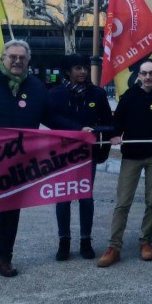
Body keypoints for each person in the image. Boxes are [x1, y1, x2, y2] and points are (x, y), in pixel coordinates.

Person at [0, 40, 81, 281]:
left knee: (10, 211)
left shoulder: (36, 87)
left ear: (28, 61)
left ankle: (4, 257)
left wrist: (80, 132)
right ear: (3, 58)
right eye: (12, 56)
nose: (17, 61)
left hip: (17, 164)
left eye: (22, 57)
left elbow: (52, 118)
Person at [97, 59, 152, 268]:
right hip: (132, 156)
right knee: (123, 202)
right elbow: (117, 122)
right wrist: (114, 135)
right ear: (139, 76)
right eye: (144, 73)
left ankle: (146, 241)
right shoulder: (129, 96)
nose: (148, 77)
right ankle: (114, 246)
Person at [47, 54, 114, 261]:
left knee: (85, 196)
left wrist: (105, 139)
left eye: (85, 67)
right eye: (77, 68)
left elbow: (108, 121)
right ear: (68, 71)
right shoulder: (55, 94)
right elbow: (49, 118)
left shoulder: (97, 94)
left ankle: (86, 240)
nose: (83, 71)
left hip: (88, 154)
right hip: (62, 153)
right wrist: (77, 129)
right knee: (63, 197)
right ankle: (64, 241)